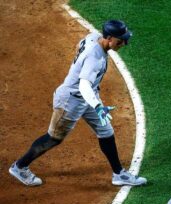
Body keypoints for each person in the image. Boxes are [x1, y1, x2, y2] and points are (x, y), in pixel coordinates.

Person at [9, 20, 147, 187]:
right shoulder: (95, 58)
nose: (124, 43)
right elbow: (83, 85)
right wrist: (98, 106)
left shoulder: (93, 37)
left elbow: (79, 48)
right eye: (121, 40)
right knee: (54, 138)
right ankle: (20, 166)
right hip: (70, 100)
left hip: (88, 97)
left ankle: (119, 174)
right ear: (109, 38)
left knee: (106, 131)